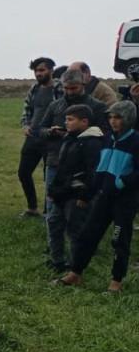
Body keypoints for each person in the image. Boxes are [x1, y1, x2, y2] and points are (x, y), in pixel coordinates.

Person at [60, 100, 139, 293]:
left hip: (125, 200)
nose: (113, 121)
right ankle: (75, 273)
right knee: (88, 235)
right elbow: (99, 170)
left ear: (128, 119)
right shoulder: (107, 139)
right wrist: (88, 194)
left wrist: (122, 183)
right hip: (104, 197)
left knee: (119, 240)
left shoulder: (136, 141)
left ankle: (116, 282)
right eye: (111, 117)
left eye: (118, 117)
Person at [37, 68, 107, 264]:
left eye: (73, 88)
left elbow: (105, 133)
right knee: (53, 213)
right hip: (56, 163)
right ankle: (55, 253)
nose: (69, 92)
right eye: (66, 88)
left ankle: (82, 254)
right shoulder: (55, 106)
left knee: (79, 214)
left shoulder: (97, 107)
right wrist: (51, 132)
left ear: (83, 85)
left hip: (83, 169)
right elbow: (40, 130)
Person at [43, 104, 103, 271]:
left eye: (70, 119)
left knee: (75, 231)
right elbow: (62, 168)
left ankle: (76, 266)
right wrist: (53, 190)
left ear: (84, 122)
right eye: (66, 119)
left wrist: (85, 196)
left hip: (76, 196)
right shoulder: (69, 139)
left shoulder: (92, 143)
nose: (66, 123)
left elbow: (93, 173)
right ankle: (57, 261)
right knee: (53, 223)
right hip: (61, 193)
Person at [17, 57, 59, 217]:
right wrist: (25, 125)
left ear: (51, 70)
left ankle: (49, 211)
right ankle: (32, 207)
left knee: (49, 177)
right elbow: (27, 109)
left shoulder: (59, 88)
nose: (38, 74)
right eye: (36, 71)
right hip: (33, 137)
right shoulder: (34, 88)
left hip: (51, 139)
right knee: (23, 172)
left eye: (42, 70)